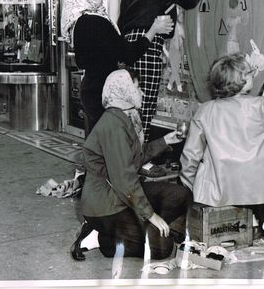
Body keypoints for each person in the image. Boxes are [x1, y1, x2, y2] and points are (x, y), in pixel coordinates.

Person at [179, 52, 264, 251]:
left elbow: (190, 157)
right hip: (261, 191)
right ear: (240, 81)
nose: (252, 75)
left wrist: (191, 189)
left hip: (217, 193)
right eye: (249, 73)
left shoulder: (204, 111)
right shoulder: (258, 107)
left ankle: (260, 224)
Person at [70, 69, 192, 261]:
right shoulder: (113, 125)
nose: (141, 92)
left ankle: (144, 231)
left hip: (121, 196)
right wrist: (151, 215)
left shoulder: (123, 118)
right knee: (162, 248)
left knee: (181, 194)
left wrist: (165, 141)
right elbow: (124, 179)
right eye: (137, 87)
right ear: (124, 90)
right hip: (106, 206)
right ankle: (102, 239)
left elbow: (134, 158)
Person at [60, 0, 174, 136]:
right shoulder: (96, 21)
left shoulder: (79, 22)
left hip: (91, 88)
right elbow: (128, 54)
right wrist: (153, 30)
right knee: (108, 143)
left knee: (96, 141)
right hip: (103, 91)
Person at [117, 0, 205, 142]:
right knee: (143, 108)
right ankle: (135, 160)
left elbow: (163, 5)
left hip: (131, 44)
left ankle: (129, 159)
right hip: (146, 45)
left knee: (131, 108)